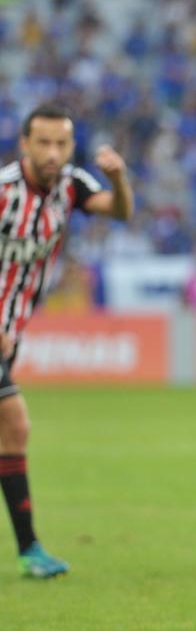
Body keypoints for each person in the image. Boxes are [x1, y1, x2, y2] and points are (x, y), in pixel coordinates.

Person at [1, 103, 134, 578]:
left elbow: (119, 211)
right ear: (24, 144)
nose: (53, 152)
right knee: (13, 425)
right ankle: (31, 549)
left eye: (62, 143)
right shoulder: (4, 193)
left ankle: (29, 550)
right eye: (44, 142)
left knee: (10, 432)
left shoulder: (71, 186)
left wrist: (118, 177)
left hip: (10, 334)